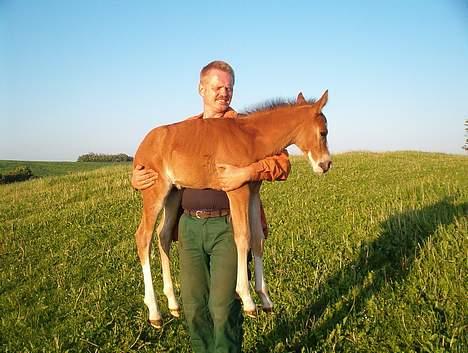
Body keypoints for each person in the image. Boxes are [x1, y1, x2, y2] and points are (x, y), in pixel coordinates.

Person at [131, 61, 290, 353]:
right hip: (189, 227)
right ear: (201, 89)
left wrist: (247, 172)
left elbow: (282, 163)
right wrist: (136, 175)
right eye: (217, 87)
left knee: (222, 307)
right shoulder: (185, 130)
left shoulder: (246, 128)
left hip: (228, 226)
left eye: (229, 88)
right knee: (193, 307)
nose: (224, 93)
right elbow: (152, 170)